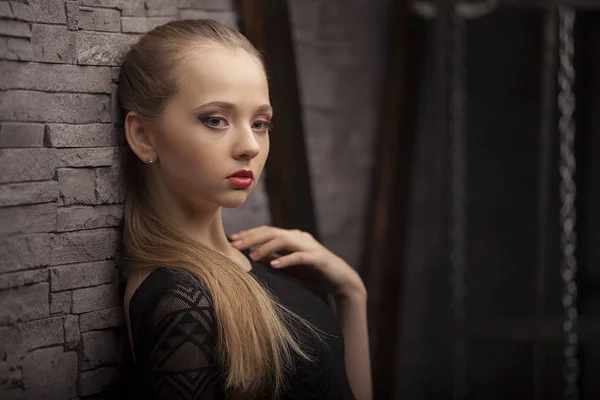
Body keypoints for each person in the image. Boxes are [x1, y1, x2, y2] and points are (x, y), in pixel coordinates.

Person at [118, 19, 372, 400]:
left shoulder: (246, 263)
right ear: (143, 135)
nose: (250, 146)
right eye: (216, 120)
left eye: (260, 123)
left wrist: (351, 293)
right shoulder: (181, 299)